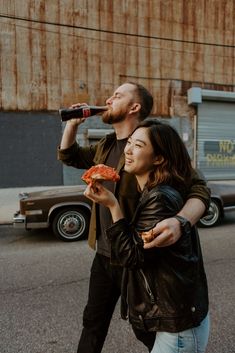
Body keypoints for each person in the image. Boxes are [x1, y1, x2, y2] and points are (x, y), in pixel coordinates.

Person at [57, 82, 210, 352]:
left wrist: (181, 221)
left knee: (144, 326)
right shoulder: (105, 145)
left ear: (134, 107)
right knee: (93, 321)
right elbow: (70, 156)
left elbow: (198, 187)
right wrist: (72, 123)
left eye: (117, 95)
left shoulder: (155, 141)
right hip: (105, 253)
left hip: (137, 255)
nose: (107, 98)